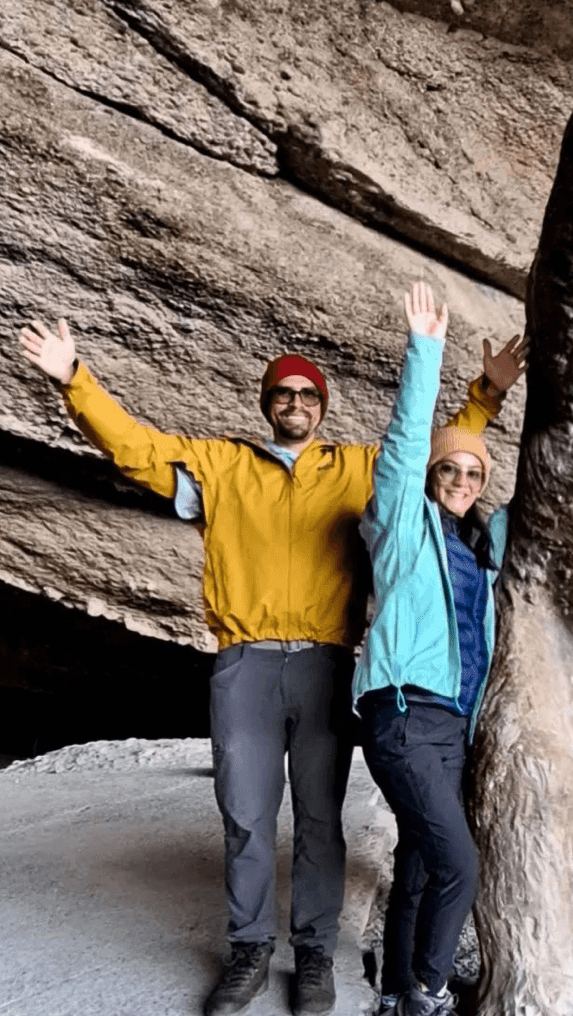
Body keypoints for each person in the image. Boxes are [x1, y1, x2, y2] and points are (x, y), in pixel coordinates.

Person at [17, 314, 526, 1016]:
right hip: (245, 664)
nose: (295, 404)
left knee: (320, 820)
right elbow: (136, 449)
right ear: (267, 403)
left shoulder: (353, 470)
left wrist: (486, 397)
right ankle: (249, 950)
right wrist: (76, 380)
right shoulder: (222, 467)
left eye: (308, 395)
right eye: (283, 394)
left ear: (323, 408)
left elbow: (430, 457)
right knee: (247, 817)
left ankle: (313, 955)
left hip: (324, 664)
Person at [352, 282, 518, 1016]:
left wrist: (497, 397)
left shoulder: (480, 548)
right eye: (448, 469)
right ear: (428, 477)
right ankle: (428, 989)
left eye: (472, 472)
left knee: (420, 864)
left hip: (453, 724)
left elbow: (539, 498)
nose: (459, 478)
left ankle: (393, 991)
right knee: (460, 866)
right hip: (402, 716)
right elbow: (406, 440)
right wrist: (426, 351)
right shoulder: (398, 524)